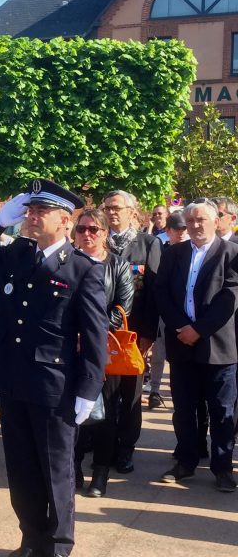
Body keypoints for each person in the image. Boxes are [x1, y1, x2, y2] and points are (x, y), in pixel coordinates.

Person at [0, 179, 107, 557]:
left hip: (53, 387)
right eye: (30, 210)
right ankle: (31, 538)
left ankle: (58, 547)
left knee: (56, 472)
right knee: (22, 469)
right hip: (12, 380)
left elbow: (94, 338)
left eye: (42, 211)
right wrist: (1, 216)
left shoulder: (83, 270)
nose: (32, 216)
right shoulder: (17, 255)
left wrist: (88, 391)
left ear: (64, 221)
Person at [155, 199, 238, 492]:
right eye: (190, 221)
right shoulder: (174, 252)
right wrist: (181, 327)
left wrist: (198, 330)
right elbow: (161, 292)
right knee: (184, 409)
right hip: (181, 344)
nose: (195, 225)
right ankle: (186, 461)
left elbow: (229, 298)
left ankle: (222, 467)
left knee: (221, 410)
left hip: (218, 346)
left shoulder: (232, 253)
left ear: (216, 221)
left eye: (201, 220)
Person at [72, 208, 134, 498]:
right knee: (71, 413)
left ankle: (101, 472)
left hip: (103, 348)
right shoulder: (66, 262)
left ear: (105, 234)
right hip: (69, 347)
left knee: (105, 413)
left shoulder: (118, 266)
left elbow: (122, 309)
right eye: (81, 229)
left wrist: (89, 331)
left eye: (93, 230)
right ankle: (72, 467)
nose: (87, 234)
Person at [102, 189, 161, 473]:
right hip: (102, 333)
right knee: (103, 392)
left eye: (117, 208)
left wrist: (148, 336)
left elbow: (154, 294)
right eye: (108, 207)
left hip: (134, 336)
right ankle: (104, 443)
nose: (112, 212)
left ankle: (126, 448)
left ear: (132, 211)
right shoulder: (98, 241)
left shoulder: (148, 244)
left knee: (130, 396)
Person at [148, 211, 189, 410]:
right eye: (177, 229)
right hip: (165, 310)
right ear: (168, 231)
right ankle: (155, 390)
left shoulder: (194, 251)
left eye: (184, 229)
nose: (181, 233)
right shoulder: (162, 250)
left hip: (187, 313)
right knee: (159, 350)